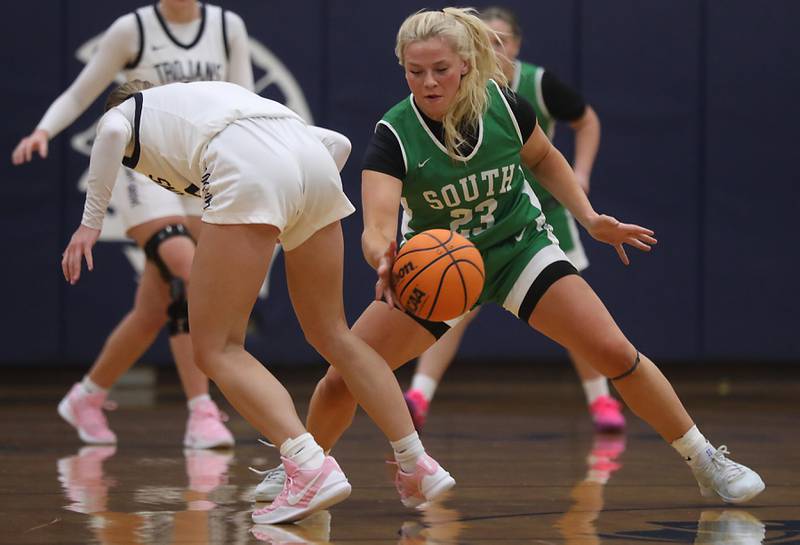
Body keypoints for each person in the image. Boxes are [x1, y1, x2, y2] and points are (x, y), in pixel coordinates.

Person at [260, 7, 765, 506]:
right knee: (341, 377)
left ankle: (704, 460)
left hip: (519, 249)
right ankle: (302, 469)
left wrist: (588, 218)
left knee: (615, 352)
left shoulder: (504, 104)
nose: (429, 82)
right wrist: (383, 255)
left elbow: (544, 156)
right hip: (442, 269)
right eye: (416, 72)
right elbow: (375, 223)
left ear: (464, 65)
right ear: (403, 70)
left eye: (440, 69)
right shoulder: (394, 134)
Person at [61, 79, 456, 523]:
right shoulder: (206, 103)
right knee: (334, 335)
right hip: (314, 165)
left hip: (251, 170)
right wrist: (295, 205)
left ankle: (307, 465)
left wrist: (89, 225)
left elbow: (111, 132)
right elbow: (336, 143)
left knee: (215, 348)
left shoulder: (128, 114)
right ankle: (417, 462)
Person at [11, 0, 254, 448]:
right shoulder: (133, 28)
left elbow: (244, 98)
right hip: (139, 160)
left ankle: (87, 395)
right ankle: (201, 411)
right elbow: (81, 92)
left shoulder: (226, 25)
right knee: (186, 272)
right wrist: (44, 129)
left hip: (197, 165)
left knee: (153, 308)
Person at [403, 5, 620, 433]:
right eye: (483, 40)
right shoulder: (447, 95)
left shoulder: (535, 85)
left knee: (577, 315)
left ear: (516, 45)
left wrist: (582, 174)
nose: (491, 48)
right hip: (473, 215)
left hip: (541, 215)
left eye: (499, 41)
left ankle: (601, 401)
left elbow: (585, 120)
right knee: (454, 304)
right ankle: (419, 393)